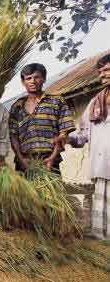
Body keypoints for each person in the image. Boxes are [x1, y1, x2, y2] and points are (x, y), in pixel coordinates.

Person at [56, 54, 110, 239]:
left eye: (108, 70)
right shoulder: (95, 103)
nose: (104, 75)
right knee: (101, 225)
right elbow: (82, 135)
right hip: (101, 170)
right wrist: (65, 138)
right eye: (101, 71)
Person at [9, 63, 75, 174]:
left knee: (52, 191)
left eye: (36, 77)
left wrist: (52, 157)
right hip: (24, 161)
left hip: (50, 160)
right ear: (23, 82)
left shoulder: (57, 101)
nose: (32, 81)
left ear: (43, 79)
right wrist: (21, 159)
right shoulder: (17, 106)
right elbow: (13, 136)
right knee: (26, 192)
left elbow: (64, 132)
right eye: (28, 78)